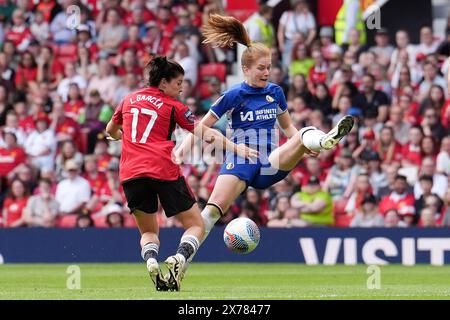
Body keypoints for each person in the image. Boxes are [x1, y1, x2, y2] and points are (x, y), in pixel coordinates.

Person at [175, 14, 354, 276]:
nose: (266, 72)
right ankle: (181, 261)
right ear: (246, 69)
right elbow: (203, 124)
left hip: (269, 162)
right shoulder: (234, 94)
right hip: (241, 160)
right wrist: (181, 151)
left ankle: (324, 140)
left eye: (269, 67)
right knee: (212, 213)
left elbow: (287, 127)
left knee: (303, 133)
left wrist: (302, 144)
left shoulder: (276, 92)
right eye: (261, 68)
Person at [105, 55, 257, 292]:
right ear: (163, 83)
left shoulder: (128, 99)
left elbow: (111, 130)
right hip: (162, 169)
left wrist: (123, 137)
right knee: (196, 224)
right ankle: (180, 257)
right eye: (178, 83)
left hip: (131, 173)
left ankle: (152, 260)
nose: (182, 87)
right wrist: (237, 148)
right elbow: (206, 134)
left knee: (147, 231)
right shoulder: (173, 106)